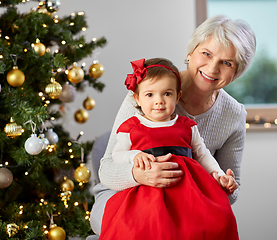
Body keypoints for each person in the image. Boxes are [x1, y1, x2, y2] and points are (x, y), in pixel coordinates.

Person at [87, 14, 256, 239]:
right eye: (206, 53)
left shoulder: (233, 115)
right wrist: (139, 175)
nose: (213, 68)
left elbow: (231, 193)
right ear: (190, 53)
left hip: (186, 200)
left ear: (237, 72)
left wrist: (223, 184)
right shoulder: (149, 90)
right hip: (125, 190)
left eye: (227, 63)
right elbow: (107, 169)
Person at [98, 58, 239, 239]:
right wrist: (135, 156)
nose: (159, 101)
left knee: (215, 220)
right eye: (150, 95)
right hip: (149, 189)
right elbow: (117, 155)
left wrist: (219, 175)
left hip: (187, 191)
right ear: (137, 98)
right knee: (146, 225)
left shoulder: (187, 125)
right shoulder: (131, 126)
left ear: (177, 96)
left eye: (167, 94)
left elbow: (202, 155)